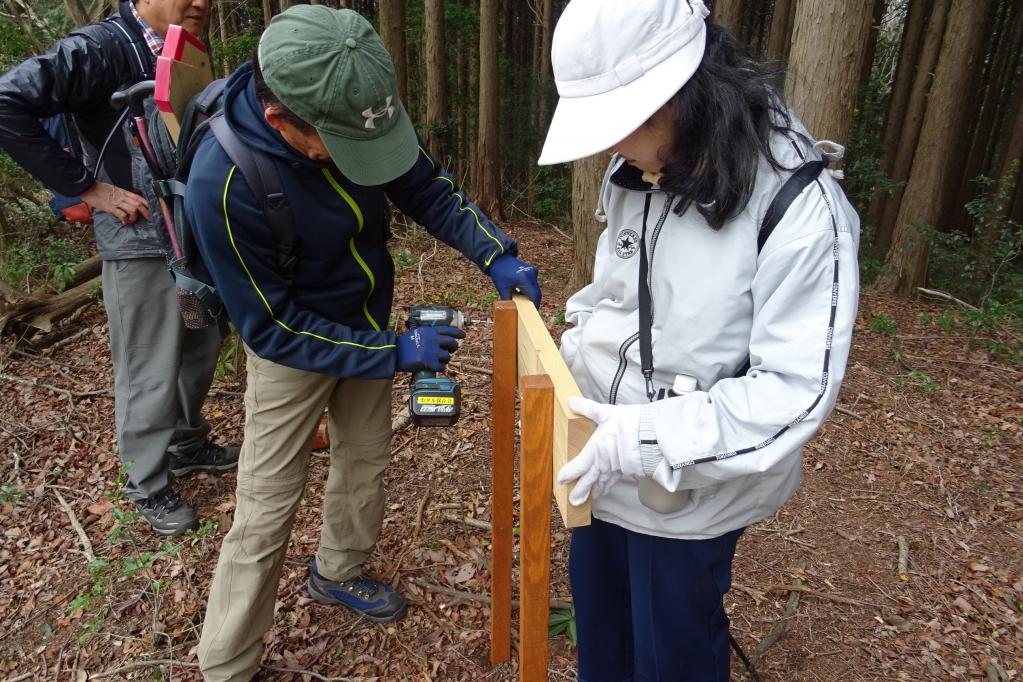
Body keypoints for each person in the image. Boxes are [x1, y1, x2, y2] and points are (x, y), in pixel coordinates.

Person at [183, 6, 542, 679]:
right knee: (266, 505)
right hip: (292, 347)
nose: (356, 161)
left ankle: (338, 571)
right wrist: (394, 353)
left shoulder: (354, 113)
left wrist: (493, 253)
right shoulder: (222, 183)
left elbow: (424, 186)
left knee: (364, 460)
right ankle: (225, 663)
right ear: (280, 120)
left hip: (367, 318)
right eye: (336, 145)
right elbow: (271, 326)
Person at [539, 1, 860, 679]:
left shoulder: (802, 213)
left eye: (624, 122)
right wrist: (576, 351)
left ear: (688, 91)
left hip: (690, 492)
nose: (610, 146)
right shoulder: (639, 165)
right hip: (602, 463)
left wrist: (649, 437)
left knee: (671, 651)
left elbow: (793, 393)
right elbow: (614, 288)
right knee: (602, 636)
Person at [0, 0, 239, 536]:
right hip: (137, 237)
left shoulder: (181, 49)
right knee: (147, 362)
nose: (201, 1)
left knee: (200, 344)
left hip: (186, 231)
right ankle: (147, 483)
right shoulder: (101, 47)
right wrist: (89, 187)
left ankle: (185, 442)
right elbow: (6, 102)